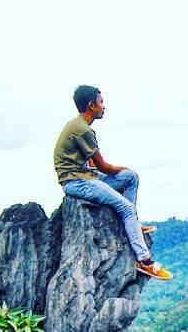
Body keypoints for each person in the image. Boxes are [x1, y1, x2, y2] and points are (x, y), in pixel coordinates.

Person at [53, 85, 172, 280]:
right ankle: (145, 261)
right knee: (126, 206)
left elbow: (92, 161)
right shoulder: (82, 130)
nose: (104, 106)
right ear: (91, 105)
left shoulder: (78, 126)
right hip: (76, 182)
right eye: (101, 102)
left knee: (131, 178)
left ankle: (132, 223)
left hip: (84, 177)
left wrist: (124, 172)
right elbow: (102, 166)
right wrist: (122, 167)